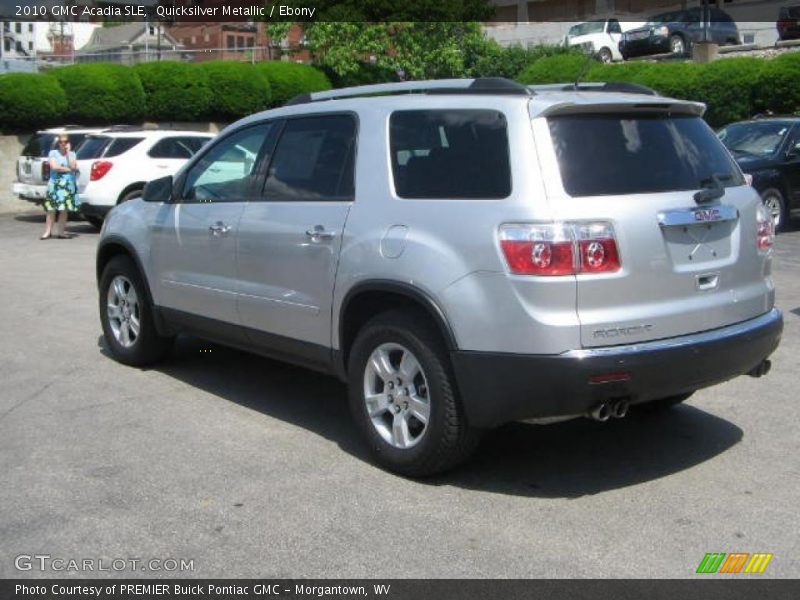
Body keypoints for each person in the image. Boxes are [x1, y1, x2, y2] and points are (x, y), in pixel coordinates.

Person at [41, 135, 80, 240]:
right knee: (51, 209)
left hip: (68, 184)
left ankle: (61, 232)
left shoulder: (72, 154)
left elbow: (73, 166)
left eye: (65, 141)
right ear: (58, 143)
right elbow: (55, 167)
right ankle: (47, 232)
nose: (63, 144)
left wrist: (68, 153)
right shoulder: (53, 153)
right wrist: (68, 169)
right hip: (55, 183)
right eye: (61, 142)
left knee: (64, 209)